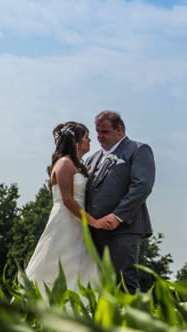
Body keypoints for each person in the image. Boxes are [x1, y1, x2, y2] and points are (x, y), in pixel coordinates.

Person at [25, 121, 102, 294]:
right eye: (86, 136)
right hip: (66, 221)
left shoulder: (77, 165)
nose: (90, 140)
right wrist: (94, 222)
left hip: (78, 222)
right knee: (57, 263)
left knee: (79, 267)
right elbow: (67, 199)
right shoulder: (64, 163)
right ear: (76, 141)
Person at [85, 110, 155, 293]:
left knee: (124, 280)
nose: (100, 137)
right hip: (95, 230)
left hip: (124, 229)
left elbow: (142, 186)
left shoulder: (138, 150)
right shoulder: (92, 159)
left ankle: (131, 320)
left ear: (120, 131)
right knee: (99, 283)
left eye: (105, 132)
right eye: (97, 132)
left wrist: (117, 216)